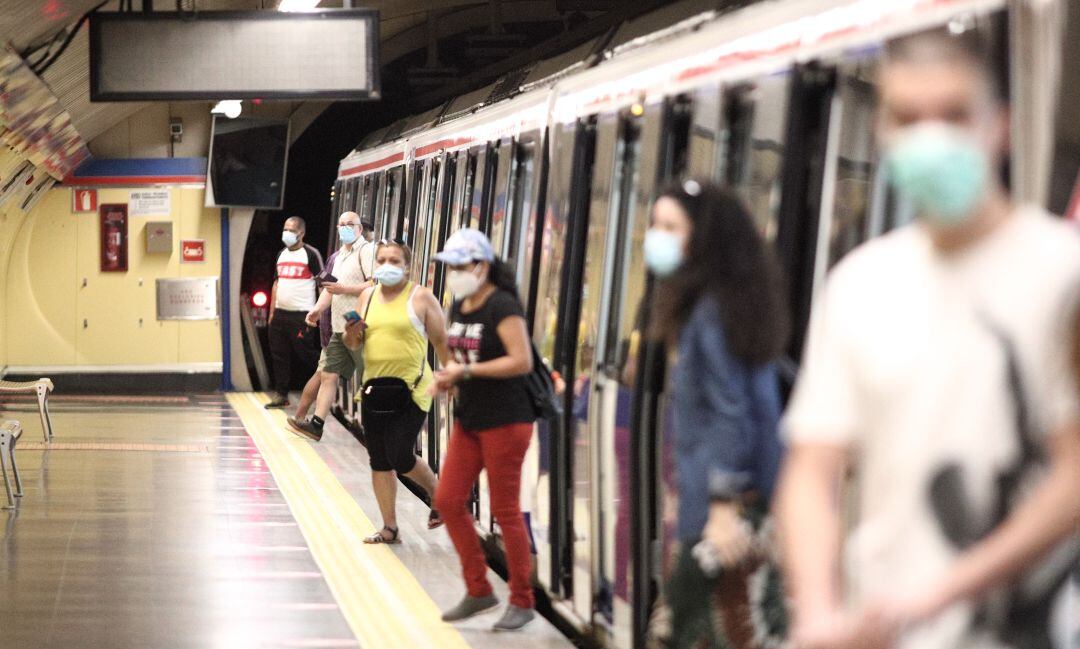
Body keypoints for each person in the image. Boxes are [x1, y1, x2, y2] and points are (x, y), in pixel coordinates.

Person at [776, 28, 1080, 649]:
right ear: (882, 133)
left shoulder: (1062, 274)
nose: (931, 138)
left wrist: (938, 595)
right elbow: (811, 470)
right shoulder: (859, 285)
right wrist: (817, 612)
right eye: (908, 119)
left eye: (954, 114)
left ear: (999, 126)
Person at [642, 180, 789, 648]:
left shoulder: (709, 312)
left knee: (688, 629)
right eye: (656, 225)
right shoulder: (726, 303)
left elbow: (730, 413)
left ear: (702, 237)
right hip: (724, 497)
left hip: (728, 506)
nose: (657, 236)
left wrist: (722, 506)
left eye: (671, 227)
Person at [429, 229, 538, 632]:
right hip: (471, 417)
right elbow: (459, 356)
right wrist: (449, 378)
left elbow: (521, 361)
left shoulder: (502, 305)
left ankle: (522, 600)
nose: (454, 273)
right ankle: (479, 589)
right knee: (448, 499)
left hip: (507, 420)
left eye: (460, 266)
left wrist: (466, 372)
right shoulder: (460, 304)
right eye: (451, 267)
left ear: (482, 266)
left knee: (505, 511)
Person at [342, 240, 449, 543]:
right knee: (379, 459)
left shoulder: (421, 297)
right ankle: (389, 528)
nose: (387, 265)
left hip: (413, 390)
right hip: (374, 389)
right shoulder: (367, 296)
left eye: (394, 260)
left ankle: (438, 493)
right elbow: (354, 344)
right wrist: (352, 334)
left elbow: (441, 342)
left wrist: (452, 377)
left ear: (407, 266)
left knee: (400, 453)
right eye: (382, 260)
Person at [287, 212, 375, 441]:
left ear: (359, 228)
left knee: (370, 377)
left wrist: (345, 289)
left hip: (357, 323)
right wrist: (317, 310)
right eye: (341, 224)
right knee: (328, 375)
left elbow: (374, 284)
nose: (345, 228)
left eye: (350, 224)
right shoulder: (339, 256)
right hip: (338, 325)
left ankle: (381, 426)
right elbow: (330, 288)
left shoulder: (366, 251)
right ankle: (316, 425)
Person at [266, 216, 324, 409]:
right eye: (285, 229)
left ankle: (328, 383)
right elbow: (276, 283)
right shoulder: (281, 254)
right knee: (279, 355)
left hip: (302, 315)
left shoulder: (311, 254)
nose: (287, 233)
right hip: (280, 314)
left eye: (292, 230)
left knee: (305, 353)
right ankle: (281, 394)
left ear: (302, 233)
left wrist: (320, 312)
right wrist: (272, 312)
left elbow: (322, 283)